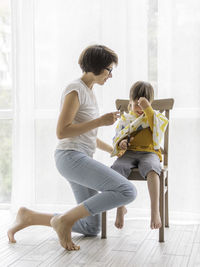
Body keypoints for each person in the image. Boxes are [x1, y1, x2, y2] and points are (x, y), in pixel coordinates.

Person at [7, 45, 137, 251]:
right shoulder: (75, 90)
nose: (110, 75)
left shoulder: (90, 93)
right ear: (97, 67)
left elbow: (86, 135)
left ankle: (29, 216)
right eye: (109, 69)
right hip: (70, 157)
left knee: (90, 226)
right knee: (127, 190)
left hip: (79, 157)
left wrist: (112, 150)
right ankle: (63, 220)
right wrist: (100, 122)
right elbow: (62, 131)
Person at [111, 81, 168, 230]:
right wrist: (122, 143)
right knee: (117, 168)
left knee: (152, 169)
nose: (139, 109)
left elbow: (158, 129)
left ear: (150, 104)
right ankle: (120, 208)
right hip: (129, 154)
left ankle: (155, 211)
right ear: (130, 102)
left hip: (149, 153)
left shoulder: (152, 117)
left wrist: (147, 108)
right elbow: (118, 136)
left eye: (143, 105)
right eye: (136, 104)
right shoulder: (126, 120)